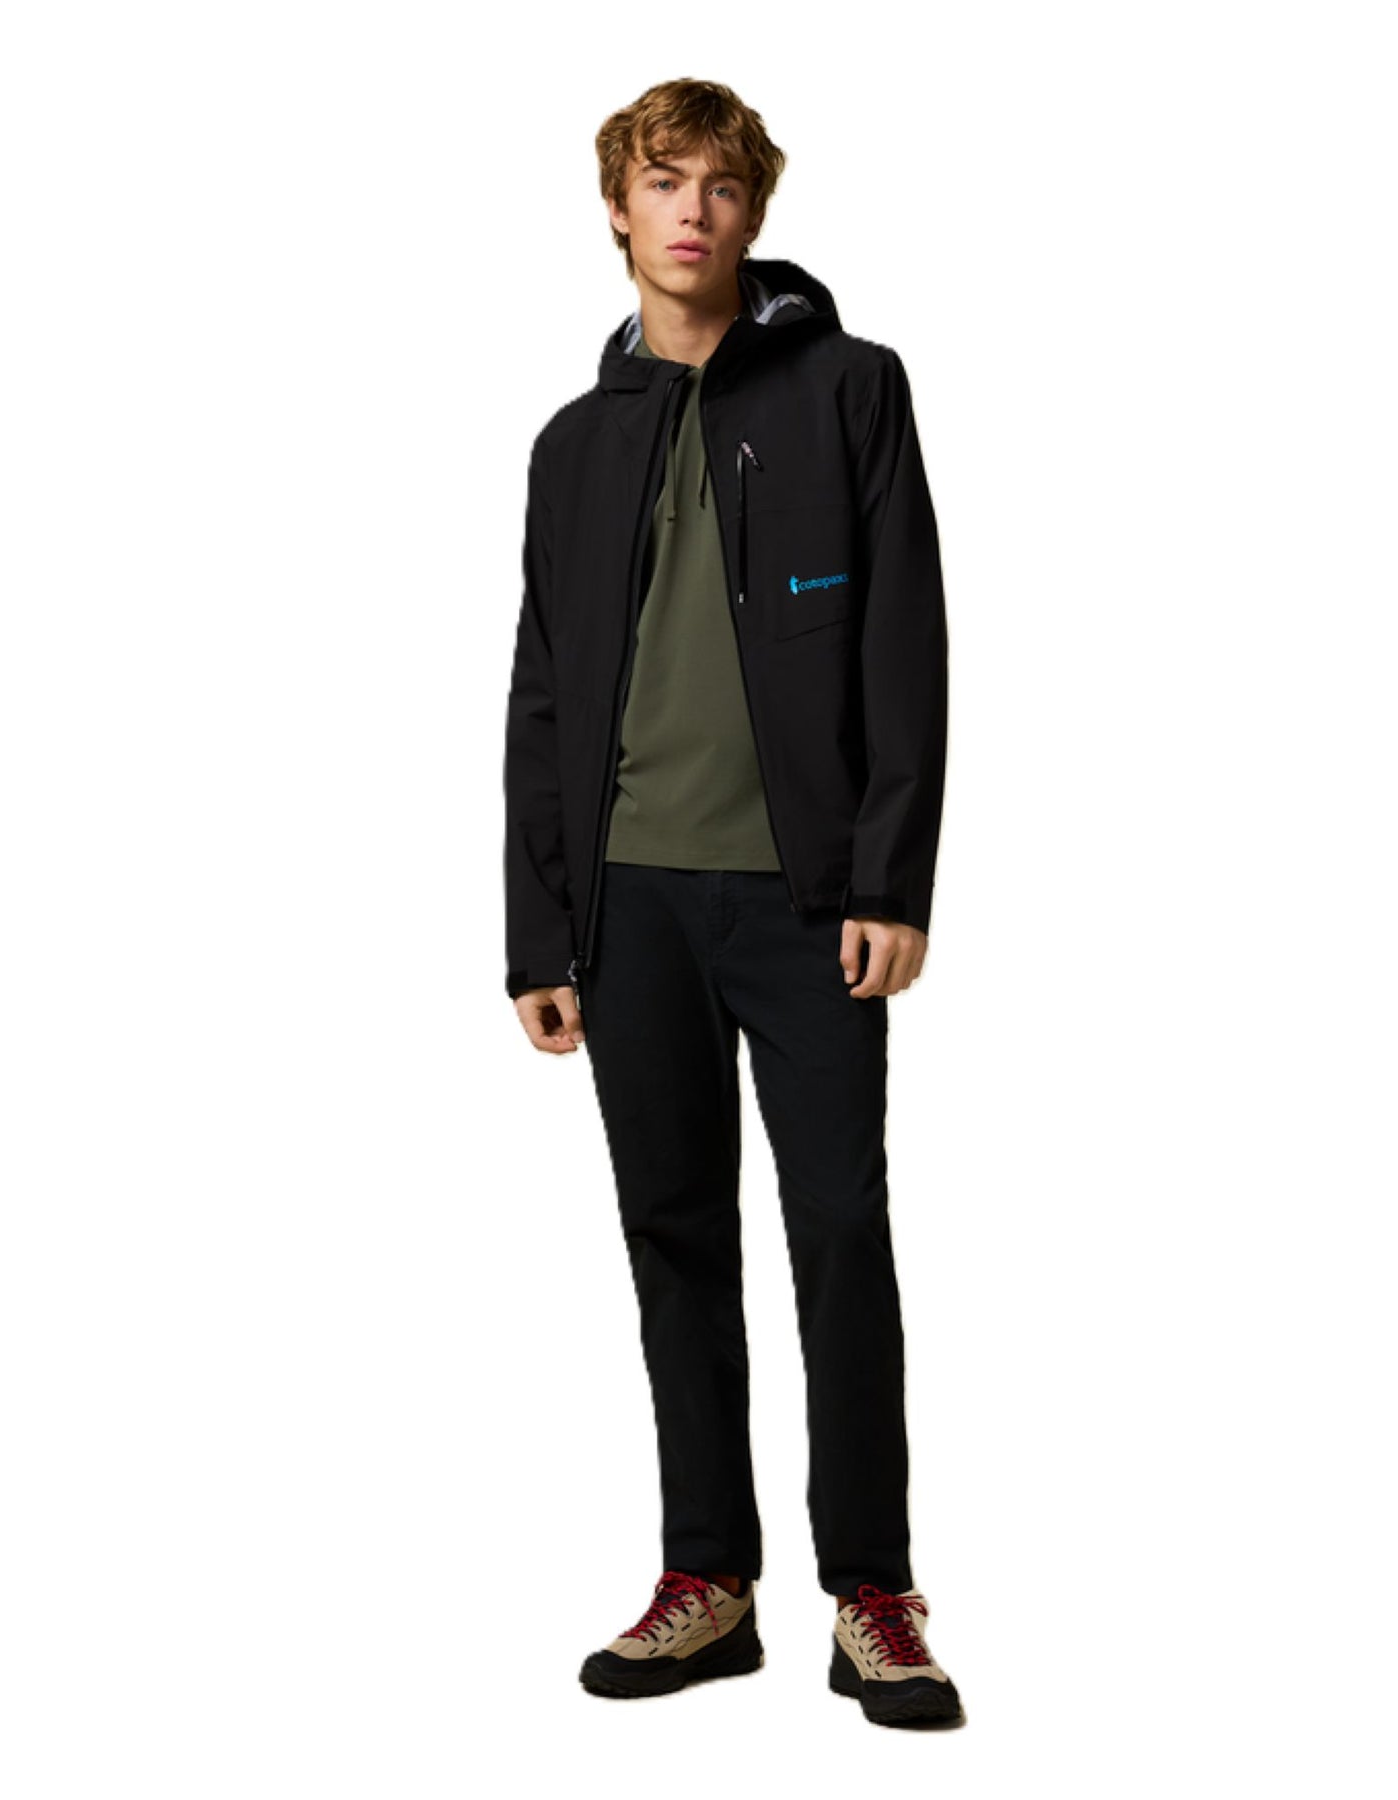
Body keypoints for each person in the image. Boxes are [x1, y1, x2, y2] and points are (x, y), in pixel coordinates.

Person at [501, 78, 958, 1730]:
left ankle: (874, 1593)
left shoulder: (849, 389)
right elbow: (545, 689)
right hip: (630, 906)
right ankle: (709, 1582)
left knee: (839, 1230)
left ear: (754, 213)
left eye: (718, 185)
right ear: (618, 209)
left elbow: (904, 643)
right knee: (673, 1235)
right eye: (661, 181)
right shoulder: (575, 443)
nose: (690, 210)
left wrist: (889, 878)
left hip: (807, 902)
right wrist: (540, 929)